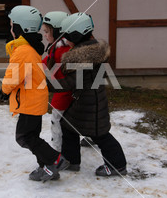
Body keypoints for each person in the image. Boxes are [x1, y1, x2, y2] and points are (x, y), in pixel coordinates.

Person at [47, 12, 127, 176]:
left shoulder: (83, 58)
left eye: (67, 36)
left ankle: (117, 166)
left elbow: (70, 83)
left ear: (76, 35)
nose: (65, 40)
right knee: (68, 126)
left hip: (91, 106)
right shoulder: (93, 50)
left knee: (101, 136)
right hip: (87, 101)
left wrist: (47, 83)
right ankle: (72, 161)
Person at [0, 5, 69, 182]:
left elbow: (13, 76)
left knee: (24, 137)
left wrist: (4, 90)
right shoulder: (29, 49)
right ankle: (48, 168)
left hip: (30, 102)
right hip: (34, 101)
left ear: (20, 28)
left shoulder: (22, 52)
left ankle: (56, 160)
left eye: (12, 25)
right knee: (32, 137)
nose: (11, 28)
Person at [41, 11, 73, 152]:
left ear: (58, 31)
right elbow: (48, 61)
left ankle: (57, 151)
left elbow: (53, 69)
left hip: (63, 94)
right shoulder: (62, 47)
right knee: (69, 121)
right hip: (67, 93)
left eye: (47, 31)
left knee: (57, 122)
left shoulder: (61, 52)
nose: (45, 35)